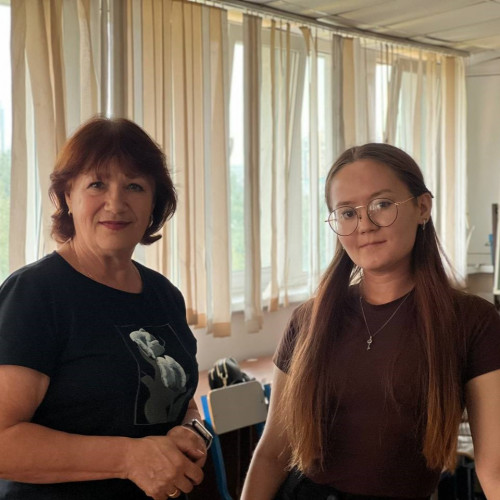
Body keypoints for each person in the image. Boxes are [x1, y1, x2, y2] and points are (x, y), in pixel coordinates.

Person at [241, 143, 500, 500]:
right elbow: (272, 453)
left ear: (422, 207)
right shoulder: (310, 320)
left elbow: (494, 469)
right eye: (347, 212)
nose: (365, 225)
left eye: (382, 204)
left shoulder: (473, 322)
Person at [0, 117, 211, 500]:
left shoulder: (164, 295)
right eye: (97, 184)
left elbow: (180, 397)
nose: (116, 203)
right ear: (67, 195)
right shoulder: (35, 294)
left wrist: (191, 431)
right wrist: (128, 458)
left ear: (153, 203)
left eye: (134, 186)